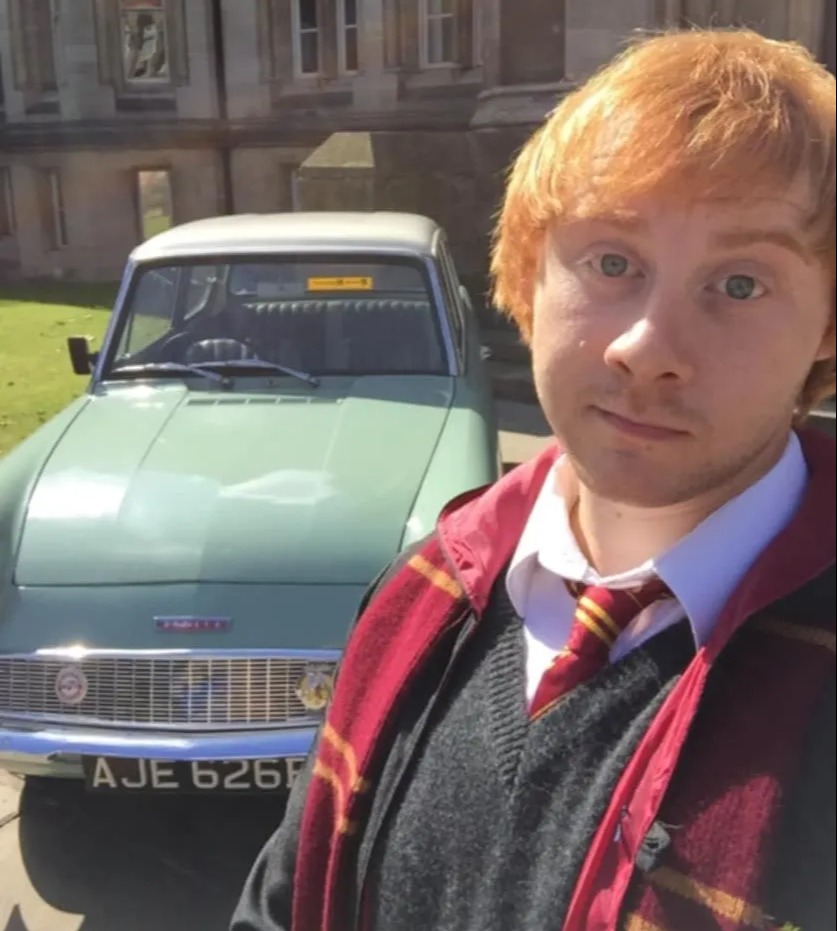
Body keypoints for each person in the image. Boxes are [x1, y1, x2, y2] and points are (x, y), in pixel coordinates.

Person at [231, 26, 835, 931]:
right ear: (528, 273)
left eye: (740, 283)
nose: (645, 349)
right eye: (611, 263)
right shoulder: (416, 595)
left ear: (826, 328)